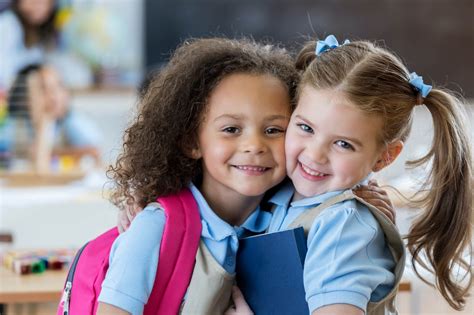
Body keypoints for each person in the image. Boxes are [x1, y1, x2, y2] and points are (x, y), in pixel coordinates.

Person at [262, 35, 472, 314]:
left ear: (385, 157)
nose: (315, 154)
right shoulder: (284, 193)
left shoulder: (343, 227)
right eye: (306, 128)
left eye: (343, 144)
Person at [97, 37, 299, 314]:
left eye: (274, 130)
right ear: (192, 141)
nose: (254, 145)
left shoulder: (291, 215)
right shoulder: (155, 229)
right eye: (231, 129)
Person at [7, 64, 101, 172]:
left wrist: (50, 152)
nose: (54, 96)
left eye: (59, 86)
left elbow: (94, 152)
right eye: (43, 89)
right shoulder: (17, 124)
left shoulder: (72, 121)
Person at [0, 0, 62, 90]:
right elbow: (4, 74)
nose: (40, 7)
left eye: (46, 3)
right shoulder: (8, 24)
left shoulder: (39, 31)